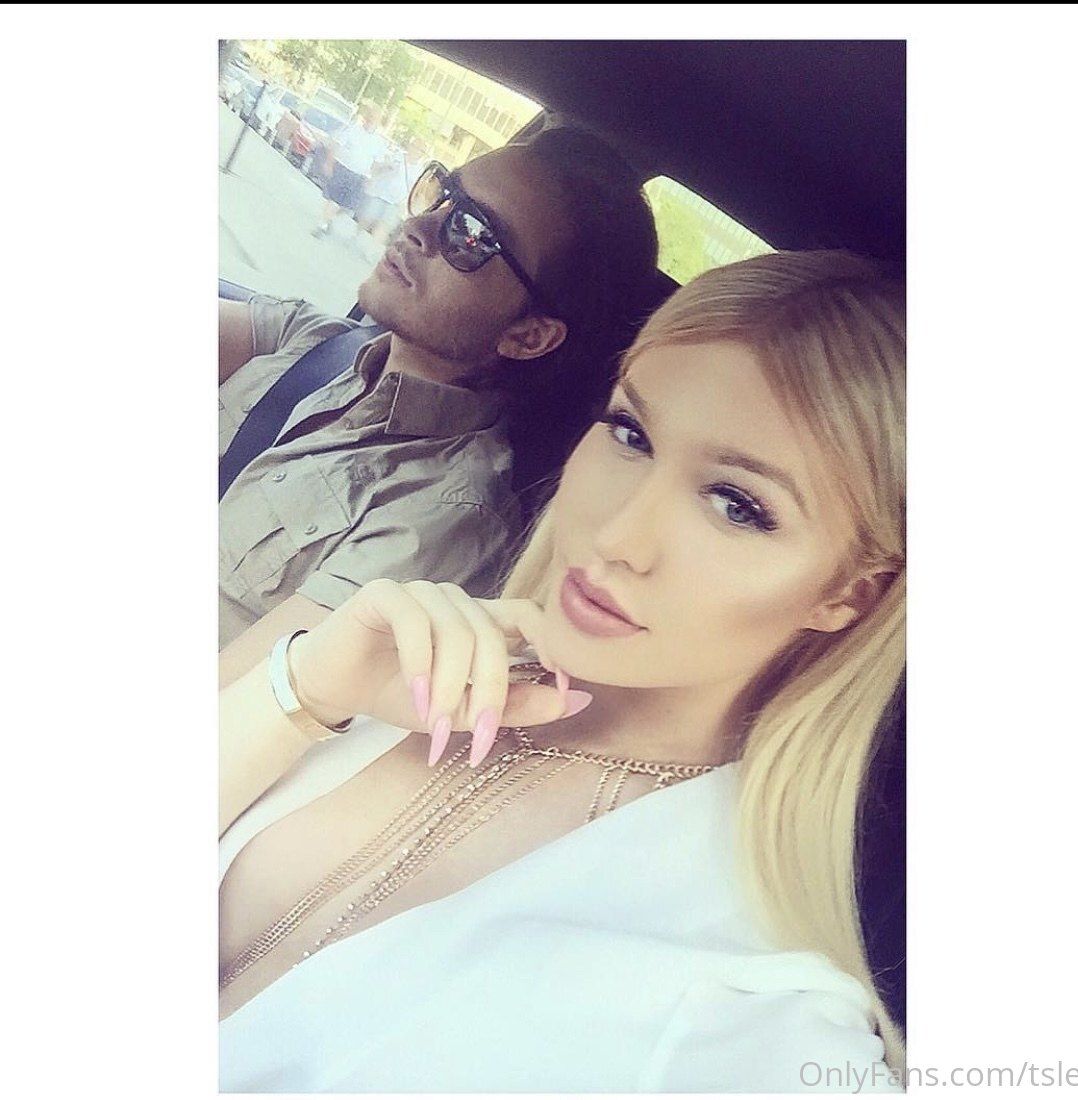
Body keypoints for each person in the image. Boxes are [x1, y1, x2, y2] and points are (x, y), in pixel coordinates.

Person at [218, 250, 907, 1091]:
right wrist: (298, 695)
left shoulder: (750, 1010)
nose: (618, 536)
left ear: (846, 594)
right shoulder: (394, 659)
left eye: (737, 505)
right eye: (631, 434)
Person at [218, 127, 660, 678]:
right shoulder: (311, 339)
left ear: (528, 336)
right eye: (443, 194)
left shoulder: (441, 520)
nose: (419, 227)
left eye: (472, 235)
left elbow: (240, 704)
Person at [310, 106, 393, 239]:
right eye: (370, 116)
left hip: (359, 177)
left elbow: (376, 164)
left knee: (348, 207)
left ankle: (329, 219)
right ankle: (322, 225)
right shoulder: (353, 129)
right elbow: (336, 145)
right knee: (333, 200)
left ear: (378, 122)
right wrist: (329, 163)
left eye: (374, 118)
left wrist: (373, 178)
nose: (371, 120)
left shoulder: (379, 142)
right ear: (365, 117)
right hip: (343, 169)